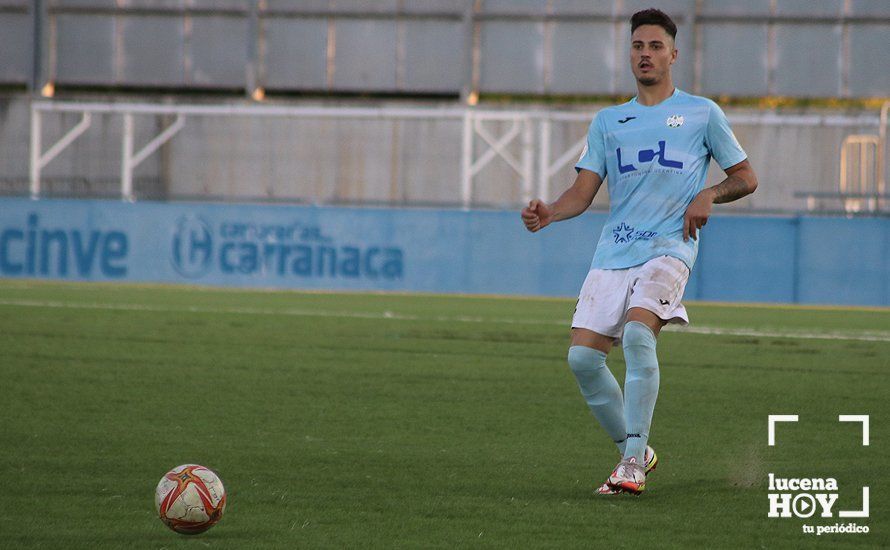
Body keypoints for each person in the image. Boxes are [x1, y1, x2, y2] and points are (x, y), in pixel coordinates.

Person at [521, 8, 758, 495]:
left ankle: (630, 464)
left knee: (635, 335)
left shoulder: (702, 113)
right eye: (637, 46)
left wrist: (708, 194)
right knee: (582, 361)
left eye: (654, 46)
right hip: (614, 251)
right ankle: (639, 451)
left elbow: (747, 177)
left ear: (673, 54)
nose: (645, 54)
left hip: (670, 247)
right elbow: (583, 193)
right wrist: (550, 211)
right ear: (629, 53)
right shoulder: (610, 121)